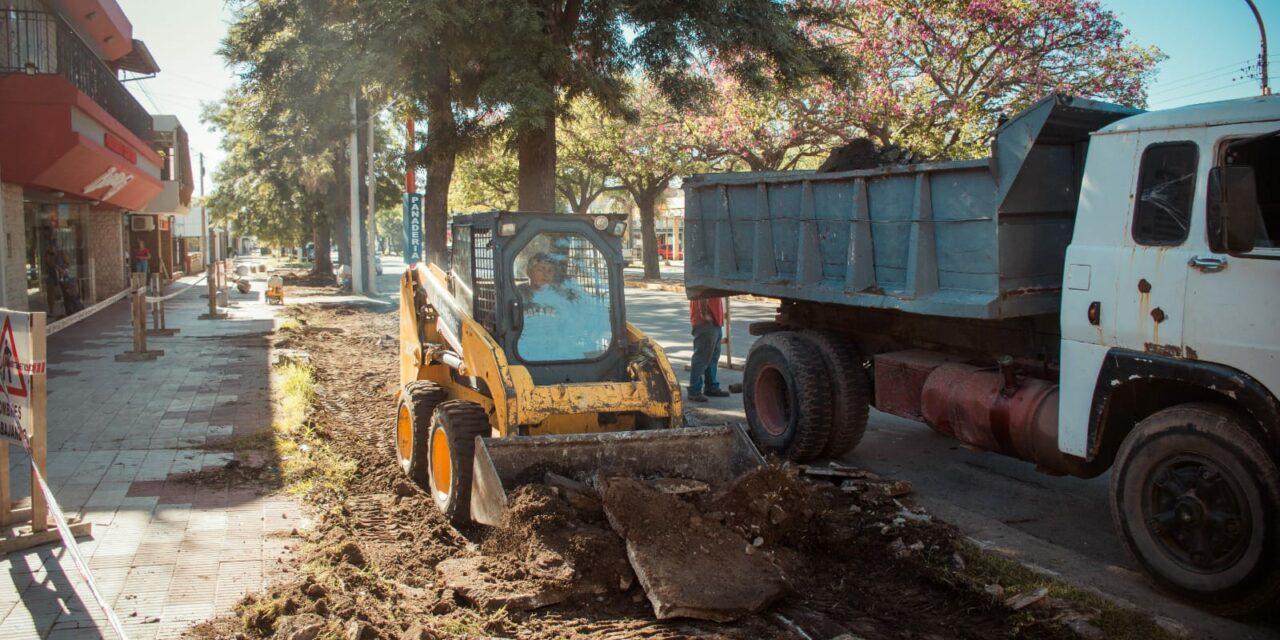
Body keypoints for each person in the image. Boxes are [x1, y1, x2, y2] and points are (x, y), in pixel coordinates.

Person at [688, 297, 729, 402]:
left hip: (715, 322)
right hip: (705, 323)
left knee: (713, 357)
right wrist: (704, 314)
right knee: (702, 357)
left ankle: (711, 386)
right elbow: (701, 293)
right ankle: (694, 390)